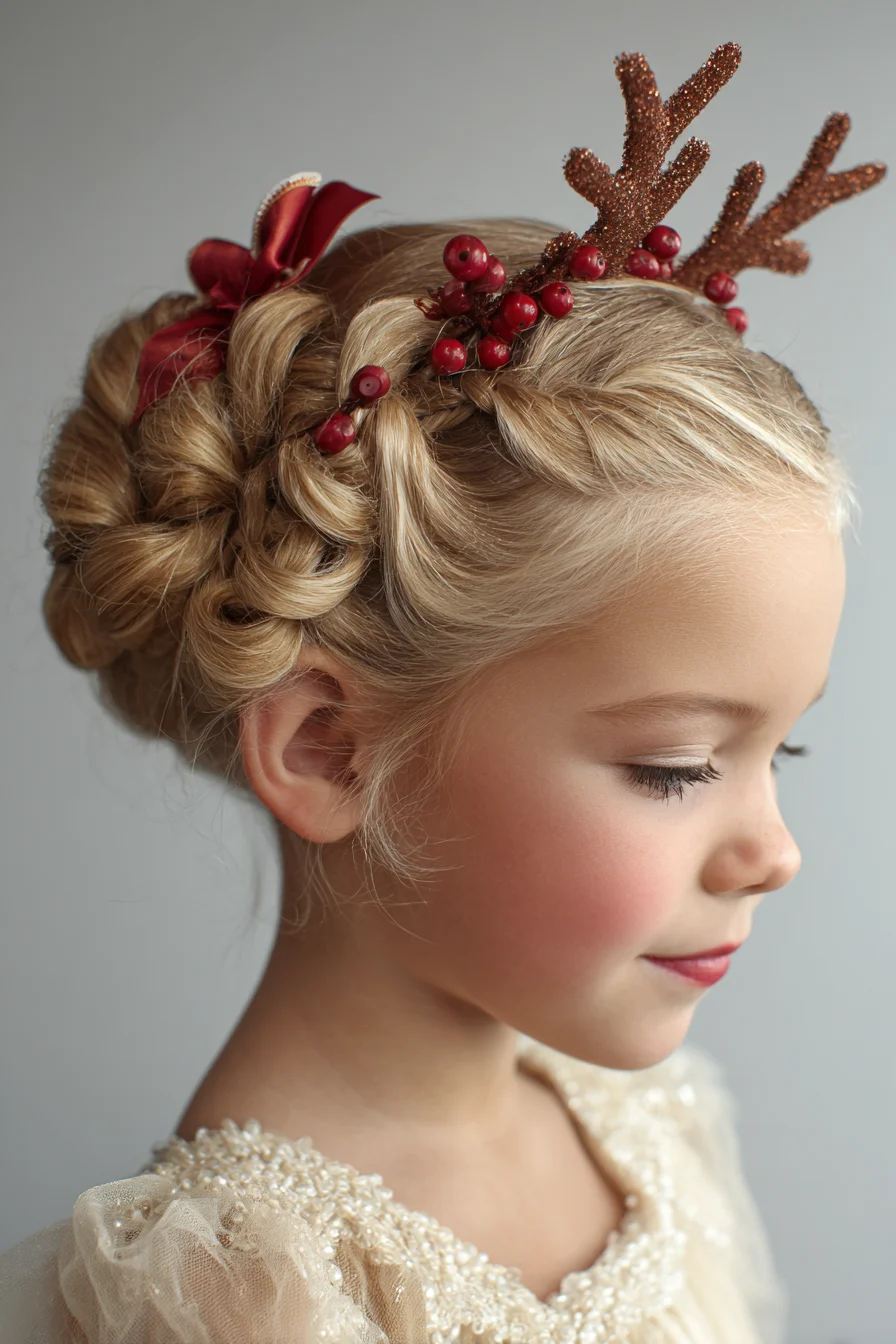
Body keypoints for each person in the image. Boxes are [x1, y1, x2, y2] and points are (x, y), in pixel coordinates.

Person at [0, 39, 885, 1344]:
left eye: (782, 755)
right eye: (679, 766)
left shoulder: (652, 1125)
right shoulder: (234, 1294)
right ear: (329, 747)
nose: (776, 854)